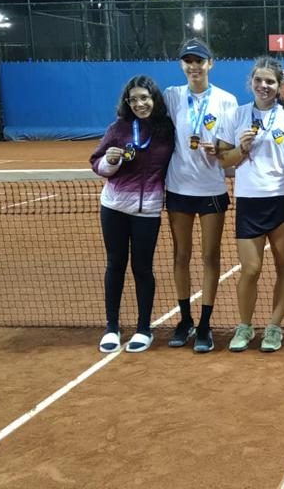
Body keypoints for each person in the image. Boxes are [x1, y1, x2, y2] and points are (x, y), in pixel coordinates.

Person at [212, 56, 284, 353]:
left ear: (279, 86)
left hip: (281, 201)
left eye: (270, 81)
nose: (264, 85)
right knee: (250, 269)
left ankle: (274, 327)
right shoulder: (235, 115)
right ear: (251, 82)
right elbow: (223, 160)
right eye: (259, 80)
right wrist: (241, 149)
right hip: (249, 202)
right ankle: (245, 326)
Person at [162, 38, 238, 353]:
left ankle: (205, 324)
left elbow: (232, 146)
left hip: (211, 189)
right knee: (181, 255)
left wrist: (218, 148)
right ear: (182, 65)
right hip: (178, 188)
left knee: (210, 257)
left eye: (199, 61)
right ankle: (185, 320)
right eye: (188, 61)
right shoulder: (170, 96)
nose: (194, 67)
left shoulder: (227, 100)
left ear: (210, 63)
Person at [90, 75, 175, 353]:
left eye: (144, 98)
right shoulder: (118, 128)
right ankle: (111, 327)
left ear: (154, 99)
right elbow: (97, 163)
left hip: (147, 210)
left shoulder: (167, 129)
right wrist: (109, 161)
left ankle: (143, 329)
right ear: (127, 102)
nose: (140, 104)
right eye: (134, 99)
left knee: (143, 268)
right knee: (115, 264)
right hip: (114, 206)